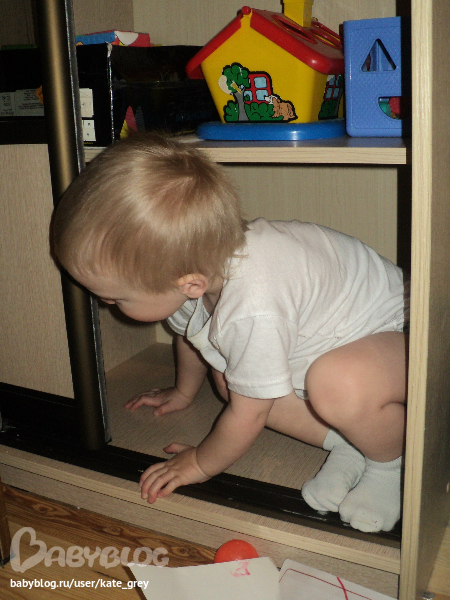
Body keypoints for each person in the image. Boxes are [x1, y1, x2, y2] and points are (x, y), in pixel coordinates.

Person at [51, 133, 409, 533]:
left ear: (189, 283)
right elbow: (192, 335)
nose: (104, 304)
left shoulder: (251, 303)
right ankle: (351, 443)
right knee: (228, 379)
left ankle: (391, 463)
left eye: (116, 298)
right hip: (326, 339)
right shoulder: (194, 266)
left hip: (401, 334)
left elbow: (249, 415)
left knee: (329, 385)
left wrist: (201, 463)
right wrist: (184, 391)